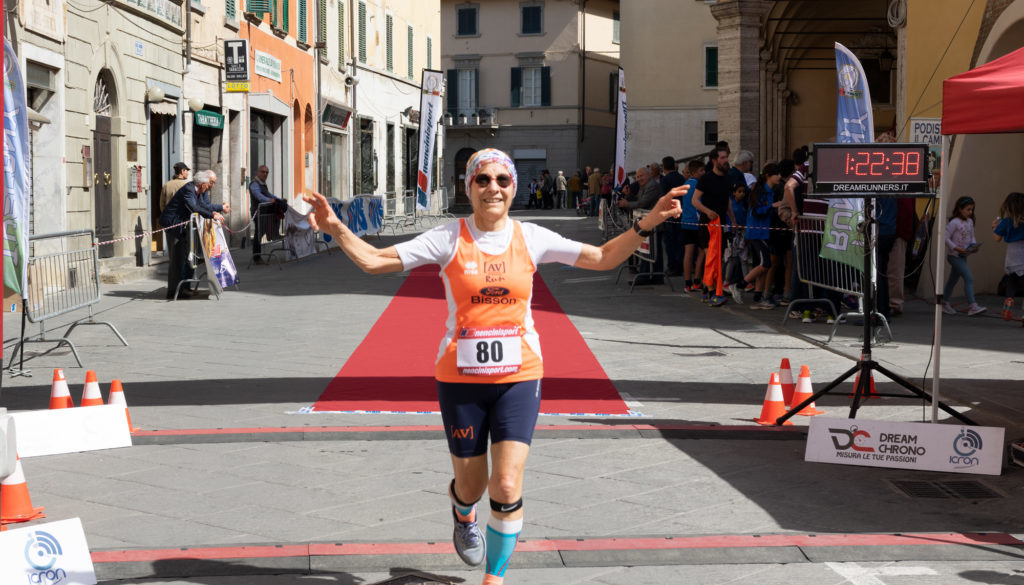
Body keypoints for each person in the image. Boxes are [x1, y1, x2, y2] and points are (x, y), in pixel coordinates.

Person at [303, 148, 684, 585]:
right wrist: (334, 227)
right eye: (482, 180)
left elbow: (601, 258)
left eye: (503, 180)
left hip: (520, 376)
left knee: (504, 485)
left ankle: (494, 580)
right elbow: (374, 261)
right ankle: (463, 513)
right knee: (472, 486)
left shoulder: (532, 237)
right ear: (468, 187)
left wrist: (647, 222)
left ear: (513, 188)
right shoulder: (448, 237)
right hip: (460, 381)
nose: (493, 188)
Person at [159, 170, 228, 299]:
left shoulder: (196, 191)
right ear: (202, 184)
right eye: (208, 185)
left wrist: (216, 211)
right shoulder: (189, 190)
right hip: (173, 226)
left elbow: (201, 205)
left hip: (182, 227)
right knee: (176, 259)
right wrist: (213, 214)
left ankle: (185, 289)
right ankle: (174, 292)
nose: (209, 188)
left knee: (185, 257)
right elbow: (195, 207)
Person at [692, 145, 737, 306]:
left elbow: (728, 201)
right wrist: (708, 211)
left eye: (726, 157)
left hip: (721, 223)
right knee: (711, 257)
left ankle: (706, 289)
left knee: (716, 258)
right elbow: (695, 200)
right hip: (707, 223)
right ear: (714, 160)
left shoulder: (727, 177)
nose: (726, 161)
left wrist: (733, 220)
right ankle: (712, 291)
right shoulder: (706, 178)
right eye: (723, 158)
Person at [736, 163, 780, 309]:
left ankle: (758, 296)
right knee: (765, 263)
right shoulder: (760, 191)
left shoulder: (770, 191)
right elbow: (756, 211)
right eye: (776, 174)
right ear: (768, 176)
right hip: (757, 232)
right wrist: (772, 206)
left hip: (765, 231)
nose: (779, 177)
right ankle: (739, 285)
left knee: (763, 265)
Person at [942, 196, 986, 316]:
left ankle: (944, 303)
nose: (970, 212)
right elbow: (945, 238)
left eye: (972, 210)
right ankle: (972, 305)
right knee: (969, 277)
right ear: (960, 209)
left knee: (952, 280)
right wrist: (955, 248)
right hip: (954, 256)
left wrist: (974, 246)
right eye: (968, 209)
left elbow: (972, 236)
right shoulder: (954, 222)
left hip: (963, 256)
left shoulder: (970, 222)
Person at [992, 192, 1024, 321]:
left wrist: (994, 227)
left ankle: (1009, 298)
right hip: (1022, 255)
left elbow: (997, 238)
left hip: (1011, 256)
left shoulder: (1006, 222)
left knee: (1011, 279)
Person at [249, 165, 289, 264]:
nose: (265, 174)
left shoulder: (263, 184)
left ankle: (273, 234)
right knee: (258, 234)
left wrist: (278, 199)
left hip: (265, 212)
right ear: (258, 172)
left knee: (260, 233)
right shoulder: (254, 184)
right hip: (258, 212)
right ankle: (256, 258)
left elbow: (269, 195)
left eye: (267, 172)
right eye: (263, 172)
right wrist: (269, 200)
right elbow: (259, 196)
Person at [680, 159, 706, 291]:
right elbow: (700, 204)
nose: (704, 172)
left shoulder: (686, 184)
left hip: (685, 222)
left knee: (688, 253)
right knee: (701, 252)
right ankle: (697, 280)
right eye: (702, 170)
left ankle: (687, 283)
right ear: (695, 172)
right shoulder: (699, 185)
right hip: (697, 222)